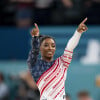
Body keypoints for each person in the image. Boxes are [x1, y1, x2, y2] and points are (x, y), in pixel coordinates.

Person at [27, 18, 88, 100]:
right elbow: (34, 52)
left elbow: (70, 47)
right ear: (40, 48)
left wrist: (78, 33)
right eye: (46, 45)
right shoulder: (35, 65)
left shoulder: (62, 63)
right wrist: (35, 38)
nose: (50, 48)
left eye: (53, 45)